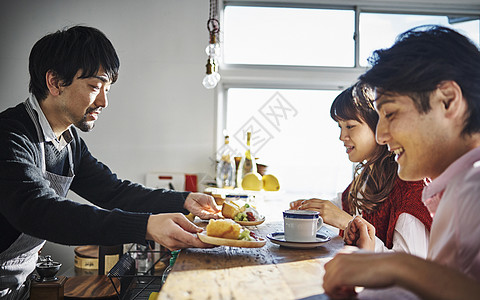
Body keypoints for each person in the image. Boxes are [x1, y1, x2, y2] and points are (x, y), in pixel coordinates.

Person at [0, 25, 220, 299]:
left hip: (18, 285)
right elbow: (38, 211)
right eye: (94, 86)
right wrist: (146, 226)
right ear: (55, 82)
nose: (104, 101)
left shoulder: (69, 142)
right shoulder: (10, 135)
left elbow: (114, 191)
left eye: (108, 89)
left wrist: (185, 200)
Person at [323, 25, 480, 299]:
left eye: (391, 114)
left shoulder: (474, 188)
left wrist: (400, 265)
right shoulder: (453, 189)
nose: (381, 136)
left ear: (448, 100)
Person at [290, 84, 432, 255]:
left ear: (379, 126)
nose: (342, 136)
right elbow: (343, 205)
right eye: (340, 127)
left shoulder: (410, 186)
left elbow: (410, 266)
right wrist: (314, 208)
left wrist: (348, 222)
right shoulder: (367, 176)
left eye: (350, 126)